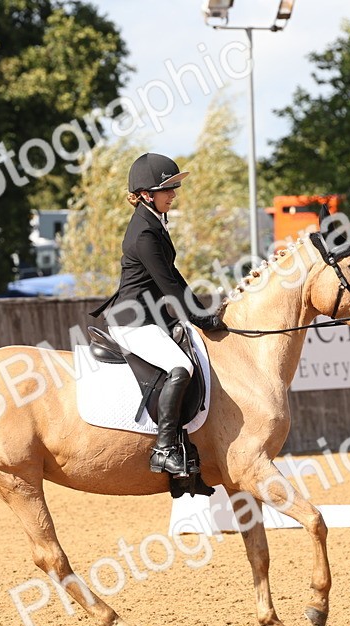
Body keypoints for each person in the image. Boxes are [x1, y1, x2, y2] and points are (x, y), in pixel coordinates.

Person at [89, 152, 225, 477]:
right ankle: (164, 448)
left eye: (173, 188)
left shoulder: (153, 222)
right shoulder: (145, 233)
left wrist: (202, 314)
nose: (174, 194)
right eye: (168, 189)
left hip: (151, 317)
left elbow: (175, 277)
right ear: (147, 193)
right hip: (134, 322)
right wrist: (201, 318)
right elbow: (170, 287)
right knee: (182, 366)